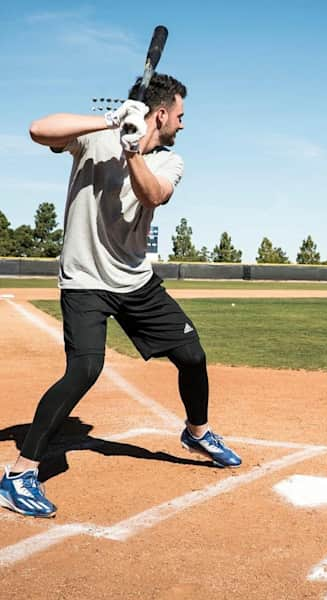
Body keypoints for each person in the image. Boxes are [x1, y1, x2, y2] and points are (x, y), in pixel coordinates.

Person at [0, 73, 241, 519]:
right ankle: (19, 475)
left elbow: (154, 194)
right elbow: (37, 129)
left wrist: (132, 150)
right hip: (85, 279)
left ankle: (197, 431)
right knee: (85, 368)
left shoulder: (171, 160)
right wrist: (109, 122)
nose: (183, 125)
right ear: (162, 113)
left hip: (134, 279)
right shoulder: (94, 140)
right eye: (181, 116)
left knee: (192, 355)